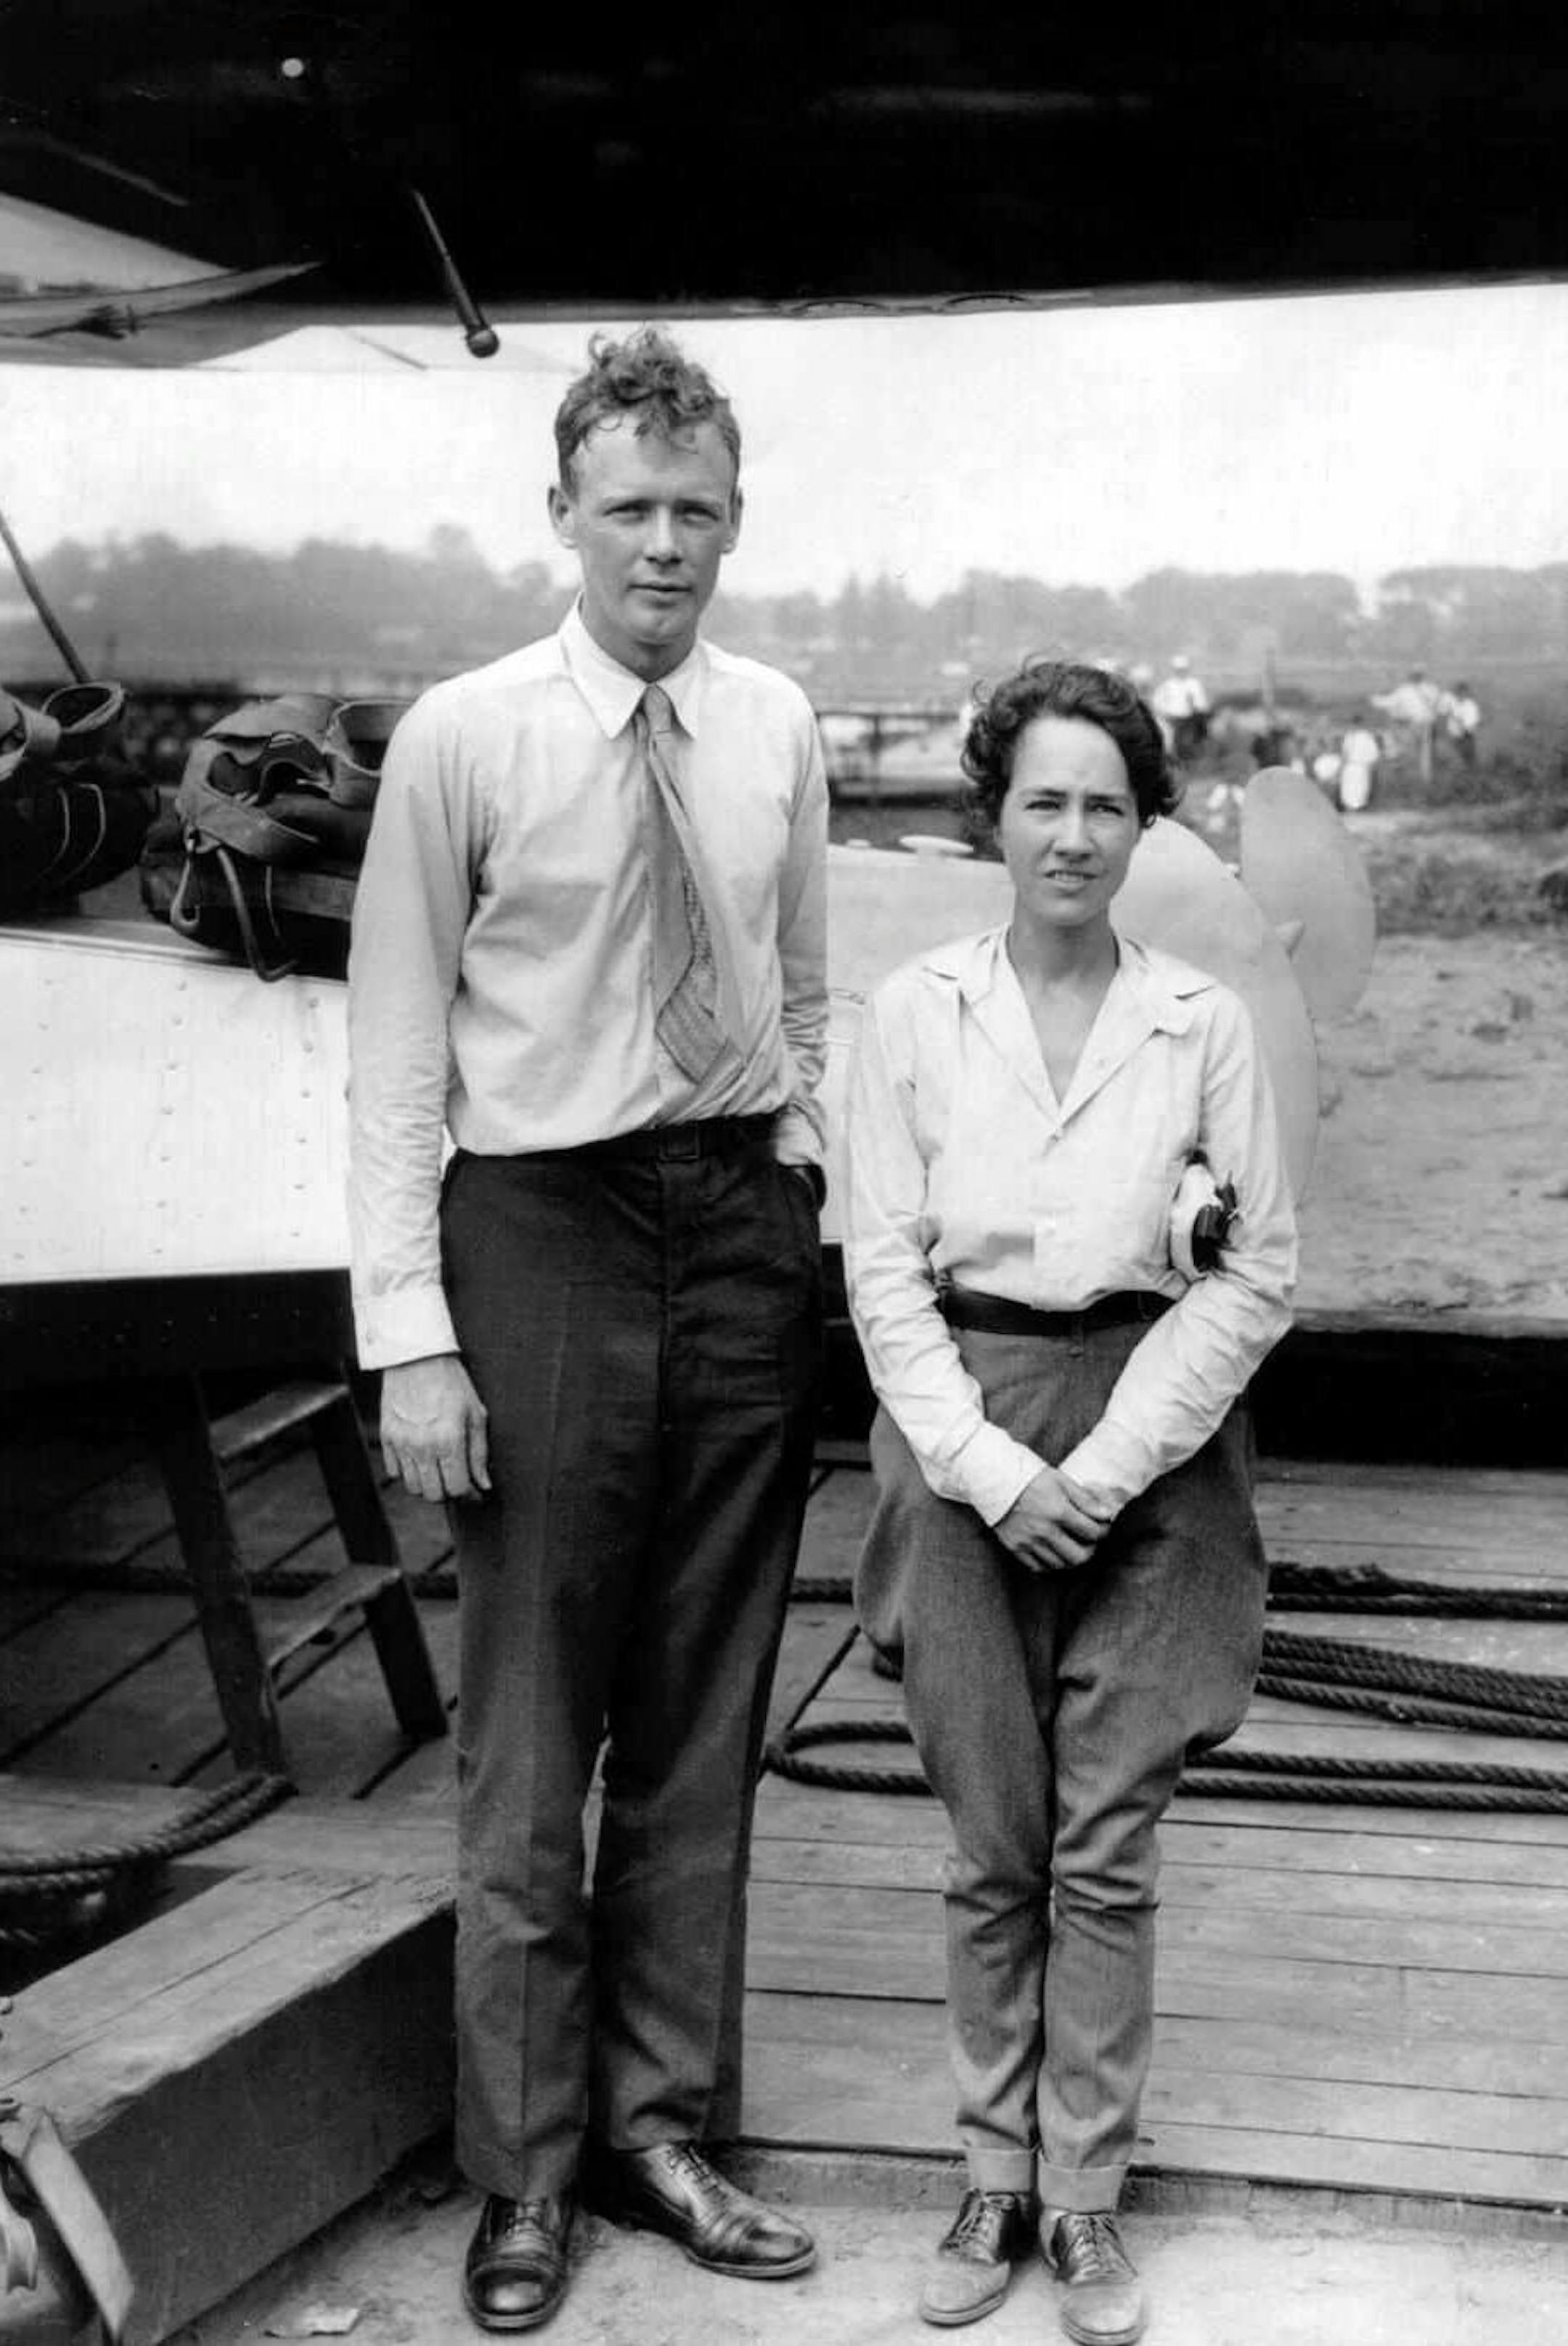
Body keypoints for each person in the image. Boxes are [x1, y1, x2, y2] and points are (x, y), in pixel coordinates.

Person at [347, 326, 828, 2332]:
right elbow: (393, 1060)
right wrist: (410, 1334)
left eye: (695, 510)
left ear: (734, 519)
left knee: (705, 1710)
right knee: (531, 1728)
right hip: (530, 1222)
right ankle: (526, 2166)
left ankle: (657, 2123)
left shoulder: (778, 722)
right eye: (627, 507)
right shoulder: (461, 736)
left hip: (733, 1220)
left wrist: (806, 1208)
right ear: (562, 516)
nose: (663, 543)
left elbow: (810, 1002)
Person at [844, 658, 1297, 2345]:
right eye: (1041, 797)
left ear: (1141, 822)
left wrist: (1099, 1468)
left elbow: (1255, 1276)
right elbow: (880, 1266)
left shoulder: (1201, 1024)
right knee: (995, 1840)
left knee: (1104, 1842)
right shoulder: (915, 1015)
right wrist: (983, 1464)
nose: (1072, 831)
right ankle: (988, 2170)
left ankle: (1085, 2195)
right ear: (990, 812)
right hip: (962, 1429)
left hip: (1152, 1444)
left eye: (1105, 801)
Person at [1149, 653, 1209, 765]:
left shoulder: (1193, 684)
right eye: (1178, 669)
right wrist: (1165, 714)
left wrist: (1196, 710)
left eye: (1182, 669)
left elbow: (1201, 704)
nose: (1180, 671)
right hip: (1172, 720)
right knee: (1172, 744)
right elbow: (1158, 702)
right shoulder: (1167, 685)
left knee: (1188, 743)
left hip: (1190, 720)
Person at [1339, 711, 1381, 812]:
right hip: (1352, 766)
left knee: (1358, 789)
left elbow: (1374, 754)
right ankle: (1350, 809)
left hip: (1360, 766)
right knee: (1350, 789)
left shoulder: (1366, 736)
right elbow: (1345, 753)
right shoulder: (1350, 736)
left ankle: (1356, 809)